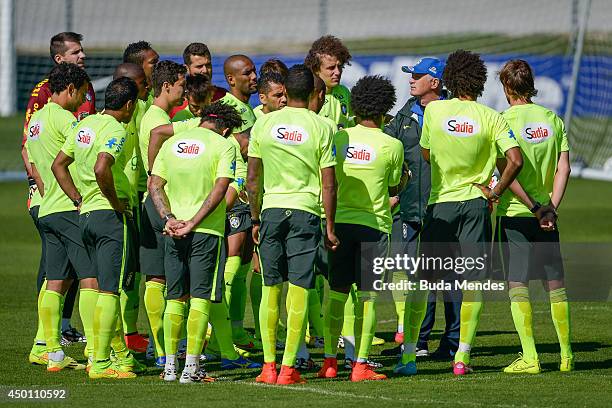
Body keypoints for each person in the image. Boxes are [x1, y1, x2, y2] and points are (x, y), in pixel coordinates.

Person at [394, 49, 523, 376]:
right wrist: (494, 190)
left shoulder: (435, 112)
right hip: (476, 205)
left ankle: (409, 357)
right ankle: (462, 357)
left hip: (441, 204)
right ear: (480, 82)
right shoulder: (492, 116)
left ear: (448, 79)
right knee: (472, 282)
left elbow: (424, 154)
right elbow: (515, 160)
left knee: (423, 282)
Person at [247, 64, 338, 385]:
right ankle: (288, 369)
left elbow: (253, 178)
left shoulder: (264, 123)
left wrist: (255, 218)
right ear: (314, 93)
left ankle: (268, 366)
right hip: (305, 213)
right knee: (300, 286)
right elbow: (329, 183)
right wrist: (329, 225)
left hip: (271, 212)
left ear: (285, 91)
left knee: (271, 286)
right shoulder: (324, 127)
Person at [318, 75, 409, 382]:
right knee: (369, 298)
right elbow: (395, 183)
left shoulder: (338, 137)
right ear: (385, 108)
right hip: (375, 227)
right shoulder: (392, 145)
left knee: (337, 294)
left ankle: (329, 361)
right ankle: (360, 365)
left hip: (339, 224)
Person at [52, 77, 142, 379]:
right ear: (129, 105)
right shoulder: (116, 129)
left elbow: (58, 165)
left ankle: (109, 355)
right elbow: (102, 167)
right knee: (110, 291)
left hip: (86, 216)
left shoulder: (84, 125)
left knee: (99, 287)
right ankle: (101, 362)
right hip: (109, 218)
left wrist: (78, 198)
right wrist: (115, 203)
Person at [149, 102, 244, 383]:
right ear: (225, 128)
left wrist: (169, 218)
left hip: (173, 230)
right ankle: (191, 369)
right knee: (201, 297)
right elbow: (221, 188)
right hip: (206, 232)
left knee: (175, 297)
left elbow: (155, 184)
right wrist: (194, 221)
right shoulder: (223, 145)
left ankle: (169, 367)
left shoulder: (172, 143)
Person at [496, 59, 573, 373]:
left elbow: (506, 172)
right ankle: (567, 356)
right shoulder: (552, 119)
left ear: (507, 87)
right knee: (555, 284)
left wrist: (533, 208)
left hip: (517, 214)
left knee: (518, 284)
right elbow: (563, 167)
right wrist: (550, 207)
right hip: (548, 216)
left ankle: (530, 357)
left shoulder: (501, 121)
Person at [383, 57, 461, 360]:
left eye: (417, 75)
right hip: (409, 207)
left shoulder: (452, 114)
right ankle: (418, 342)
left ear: (435, 83)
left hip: (443, 206)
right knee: (415, 275)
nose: (410, 80)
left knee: (447, 277)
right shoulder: (405, 112)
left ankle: (452, 342)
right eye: (410, 75)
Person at [24, 32, 96, 359]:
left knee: (54, 281)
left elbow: (30, 156)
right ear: (69, 90)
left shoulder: (36, 121)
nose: (83, 101)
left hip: (45, 206)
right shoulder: (67, 120)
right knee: (91, 279)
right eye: (81, 95)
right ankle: (99, 353)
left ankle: (47, 349)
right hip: (68, 207)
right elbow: (78, 160)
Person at [139, 60, 186, 366]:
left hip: (152, 202)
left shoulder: (150, 115)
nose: (184, 90)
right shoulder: (158, 120)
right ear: (167, 86)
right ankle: (169, 347)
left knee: (156, 278)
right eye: (181, 84)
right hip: (164, 204)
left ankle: (160, 348)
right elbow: (157, 141)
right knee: (174, 279)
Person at [218, 55, 258, 348]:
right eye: (247, 73)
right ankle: (219, 332)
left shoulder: (246, 108)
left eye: (254, 71)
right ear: (231, 79)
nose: (253, 76)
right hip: (236, 189)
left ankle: (235, 328)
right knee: (233, 258)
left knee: (243, 261)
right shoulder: (233, 108)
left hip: (246, 191)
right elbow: (243, 147)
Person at [112, 62, 151, 353]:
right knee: (122, 273)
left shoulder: (141, 108)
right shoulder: (115, 121)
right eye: (142, 84)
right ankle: (123, 335)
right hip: (120, 201)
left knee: (134, 272)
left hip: (136, 197)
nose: (146, 88)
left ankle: (130, 332)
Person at [304, 35, 354, 129]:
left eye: (340, 67)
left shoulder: (344, 91)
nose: (338, 72)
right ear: (316, 69)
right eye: (331, 68)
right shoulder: (308, 96)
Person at [169, 42, 226, 118]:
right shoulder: (174, 103)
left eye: (208, 65)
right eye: (199, 66)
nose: (205, 70)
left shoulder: (223, 95)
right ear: (186, 68)